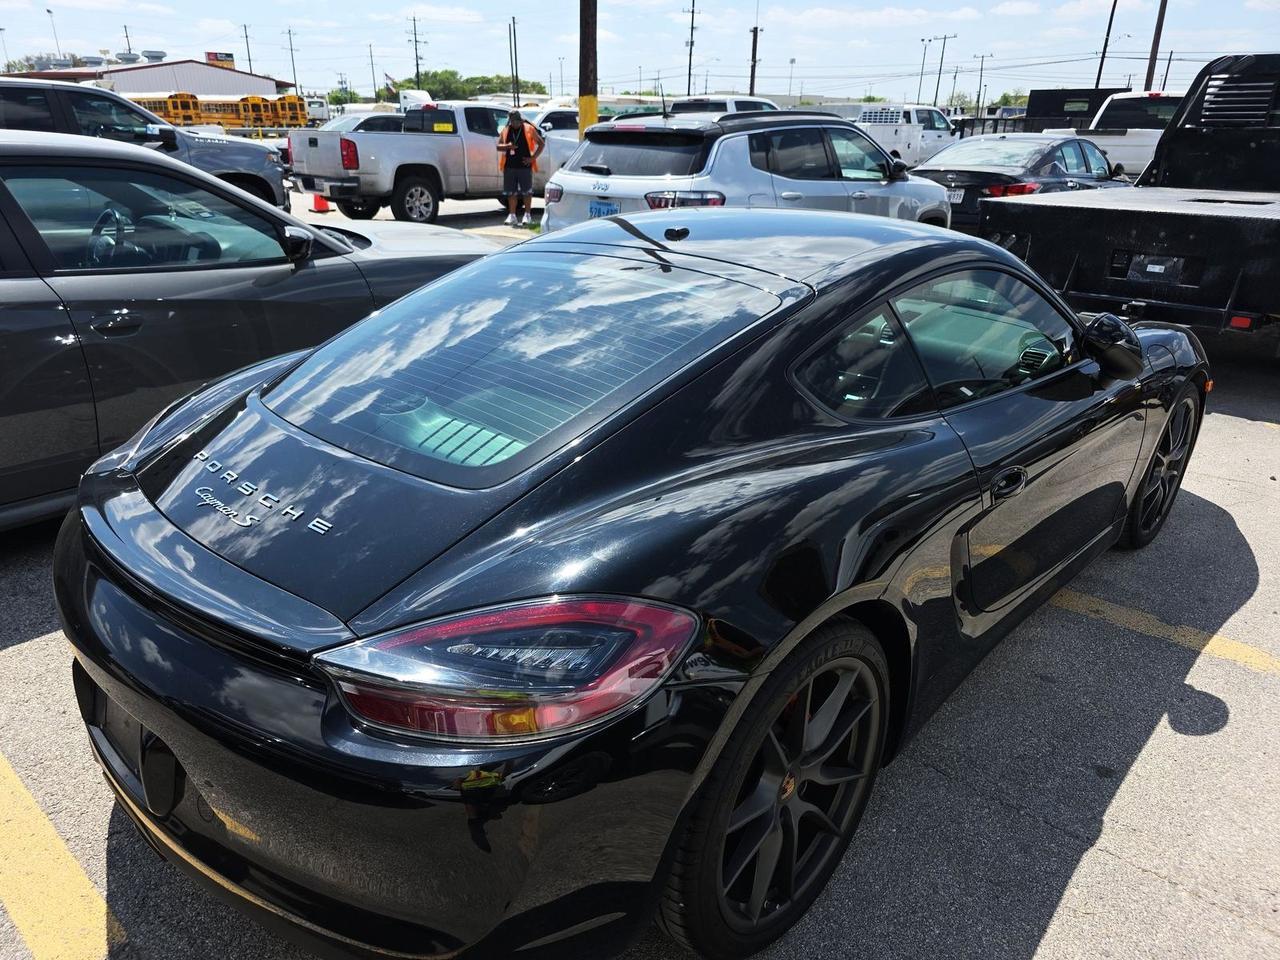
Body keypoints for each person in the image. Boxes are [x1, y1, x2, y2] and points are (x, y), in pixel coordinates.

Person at [497, 109, 545, 227]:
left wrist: (532, 158)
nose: (515, 123)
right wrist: (507, 146)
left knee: (527, 192)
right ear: (510, 121)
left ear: (520, 120)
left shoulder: (529, 129)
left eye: (517, 121)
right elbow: (498, 146)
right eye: (513, 121)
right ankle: (512, 215)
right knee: (511, 192)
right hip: (509, 166)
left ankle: (527, 215)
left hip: (524, 165)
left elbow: (541, 143)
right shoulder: (505, 130)